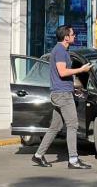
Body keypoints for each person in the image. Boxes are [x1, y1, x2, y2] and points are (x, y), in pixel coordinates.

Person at [31, 25, 93, 170]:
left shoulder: (62, 51)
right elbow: (62, 72)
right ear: (66, 37)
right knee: (73, 125)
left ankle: (38, 155)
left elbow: (65, 74)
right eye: (73, 34)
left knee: (56, 126)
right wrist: (81, 69)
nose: (74, 36)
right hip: (62, 95)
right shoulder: (59, 51)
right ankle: (73, 160)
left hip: (61, 93)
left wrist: (75, 85)